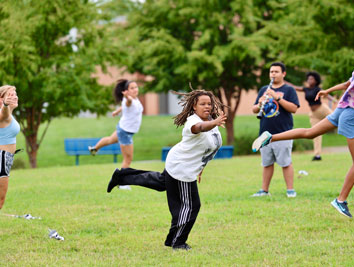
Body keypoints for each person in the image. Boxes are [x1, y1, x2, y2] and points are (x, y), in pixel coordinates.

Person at [253, 42, 354, 218]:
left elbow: (347, 84)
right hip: (350, 114)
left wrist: (326, 91)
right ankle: (341, 200)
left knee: (309, 133)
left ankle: (271, 137)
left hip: (341, 110)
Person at [106, 89, 227, 250]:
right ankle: (178, 242)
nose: (207, 106)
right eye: (202, 104)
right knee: (191, 206)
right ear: (194, 107)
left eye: (209, 104)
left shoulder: (213, 122)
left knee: (161, 184)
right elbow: (199, 127)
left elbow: (207, 148)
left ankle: (121, 177)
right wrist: (213, 123)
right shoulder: (193, 121)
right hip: (181, 168)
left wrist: (201, 167)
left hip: (183, 165)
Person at [251, 62, 300, 198]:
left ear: (283, 73)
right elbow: (254, 109)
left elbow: (294, 108)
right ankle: (264, 190)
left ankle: (290, 190)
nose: (273, 74)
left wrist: (277, 97)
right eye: (271, 72)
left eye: (276, 72)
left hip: (283, 133)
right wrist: (260, 103)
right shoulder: (263, 89)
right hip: (265, 133)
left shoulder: (289, 90)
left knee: (285, 163)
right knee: (266, 163)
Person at [89, 79, 143, 189]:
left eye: (136, 87)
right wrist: (127, 97)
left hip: (122, 129)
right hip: (125, 133)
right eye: (132, 88)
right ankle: (121, 184)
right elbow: (128, 103)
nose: (135, 89)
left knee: (110, 140)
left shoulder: (135, 99)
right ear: (126, 91)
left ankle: (95, 148)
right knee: (128, 159)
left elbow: (124, 106)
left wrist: (117, 111)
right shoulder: (129, 100)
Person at [286, 72, 335, 161]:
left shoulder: (317, 89)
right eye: (308, 79)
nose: (309, 80)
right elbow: (295, 87)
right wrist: (284, 82)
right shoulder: (306, 89)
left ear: (316, 81)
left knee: (338, 119)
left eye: (311, 79)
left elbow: (326, 94)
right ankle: (317, 155)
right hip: (314, 114)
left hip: (322, 109)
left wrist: (334, 100)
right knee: (315, 133)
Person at [0, 85, 20, 210]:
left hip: (5, 158)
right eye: (10, 95)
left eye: (15, 94)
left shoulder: (9, 116)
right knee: (0, 199)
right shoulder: (4, 114)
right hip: (2, 158)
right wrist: (5, 105)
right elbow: (3, 114)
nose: (15, 97)